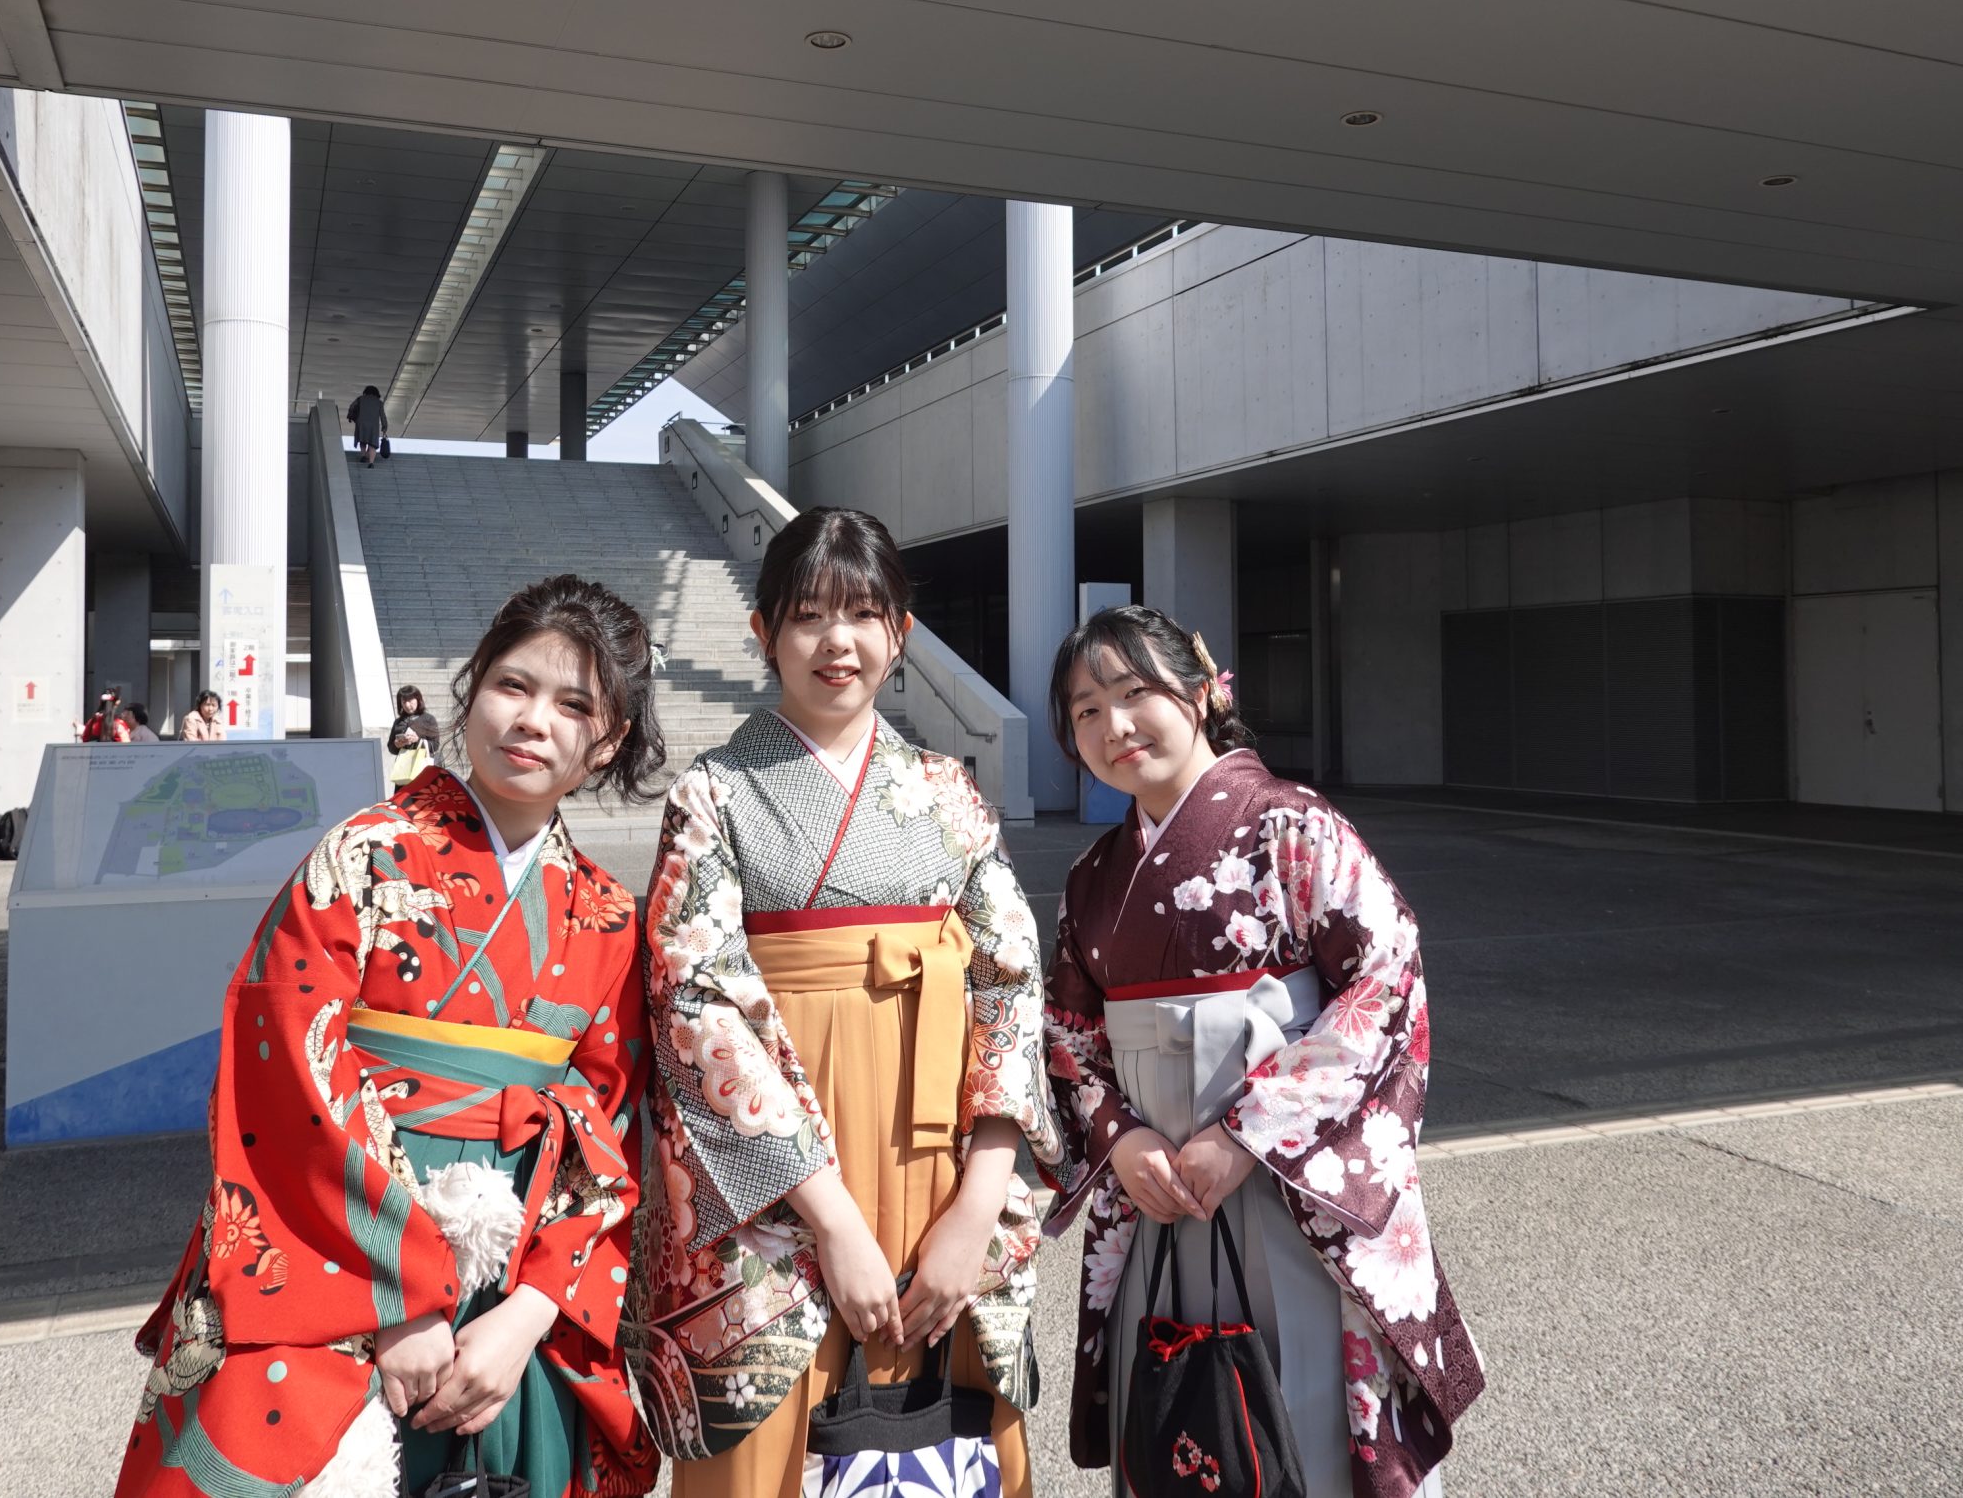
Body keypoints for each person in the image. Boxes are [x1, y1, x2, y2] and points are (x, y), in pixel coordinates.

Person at [114, 576, 666, 1498]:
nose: (533, 720)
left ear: (607, 741)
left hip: (512, 1284)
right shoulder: (364, 854)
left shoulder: (606, 914)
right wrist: (397, 1298)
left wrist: (529, 1314)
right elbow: (286, 1068)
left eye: (574, 705)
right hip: (341, 1251)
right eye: (513, 684)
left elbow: (608, 1128)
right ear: (473, 689)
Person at [627, 506, 1061, 1498]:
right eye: (808, 615)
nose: (838, 641)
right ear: (764, 632)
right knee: (765, 1453)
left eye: (864, 614)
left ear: (898, 635)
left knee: (945, 1430)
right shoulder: (714, 794)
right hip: (776, 1188)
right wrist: (830, 1222)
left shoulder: (948, 792)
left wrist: (976, 1209)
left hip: (938, 1169)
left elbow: (1010, 987)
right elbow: (695, 1002)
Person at [1040, 607, 1483, 1498]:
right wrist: (1120, 1140)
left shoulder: (1293, 827)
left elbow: (1385, 977)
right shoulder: (1091, 878)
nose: (1114, 725)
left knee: (1309, 1415)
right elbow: (1067, 1034)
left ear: (1203, 691)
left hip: (1288, 1183)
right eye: (1086, 710)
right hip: (1157, 1189)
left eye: (1134, 692)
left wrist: (1246, 1133)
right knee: (1173, 1409)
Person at [388, 683, 439, 785]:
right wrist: (397, 744)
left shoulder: (428, 719)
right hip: (404, 770)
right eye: (404, 702)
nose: (407, 705)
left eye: (410, 700)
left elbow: (435, 745)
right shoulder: (398, 722)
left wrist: (418, 741)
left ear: (418, 700)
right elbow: (391, 747)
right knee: (404, 795)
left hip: (422, 768)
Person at [349, 384, 389, 468]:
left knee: (362, 440)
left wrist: (352, 417)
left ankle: (363, 455)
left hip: (361, 423)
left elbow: (352, 407)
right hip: (373, 426)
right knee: (372, 444)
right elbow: (382, 416)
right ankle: (371, 463)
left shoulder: (360, 399)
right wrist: (384, 426)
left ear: (366, 392)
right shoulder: (379, 402)